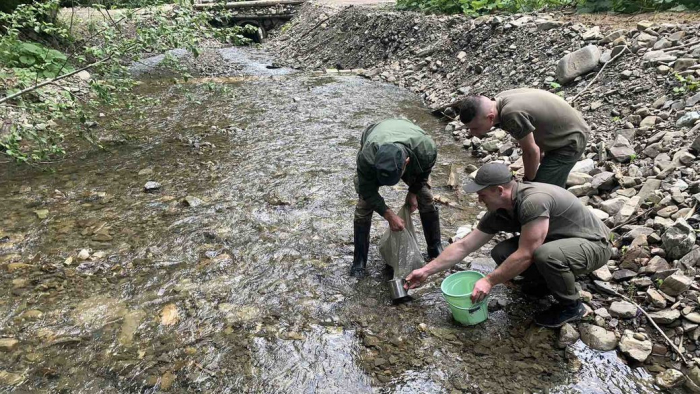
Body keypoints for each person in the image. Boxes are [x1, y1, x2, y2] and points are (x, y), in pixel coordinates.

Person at [404, 162, 612, 327]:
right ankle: (545, 284)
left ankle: (572, 306)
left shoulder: (533, 201)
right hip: (561, 240)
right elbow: (464, 246)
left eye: (482, 194)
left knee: (546, 255)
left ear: (499, 190)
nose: (479, 200)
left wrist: (489, 281)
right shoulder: (499, 210)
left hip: (594, 245)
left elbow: (526, 253)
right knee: (502, 252)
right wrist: (426, 271)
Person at [351, 118, 443, 278]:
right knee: (363, 207)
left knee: (426, 198)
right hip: (376, 135)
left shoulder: (426, 150)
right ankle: (359, 261)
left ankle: (435, 247)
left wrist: (413, 193)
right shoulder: (367, 157)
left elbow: (423, 174)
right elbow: (366, 189)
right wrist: (388, 214)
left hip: (411, 146)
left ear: (406, 163)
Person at [455, 88, 589, 189]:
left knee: (540, 192)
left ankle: (557, 218)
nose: (472, 133)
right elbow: (535, 125)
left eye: (475, 128)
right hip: (563, 130)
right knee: (544, 180)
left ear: (490, 117)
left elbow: (531, 151)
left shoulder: (510, 115)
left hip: (570, 140)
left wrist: (528, 179)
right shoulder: (499, 101)